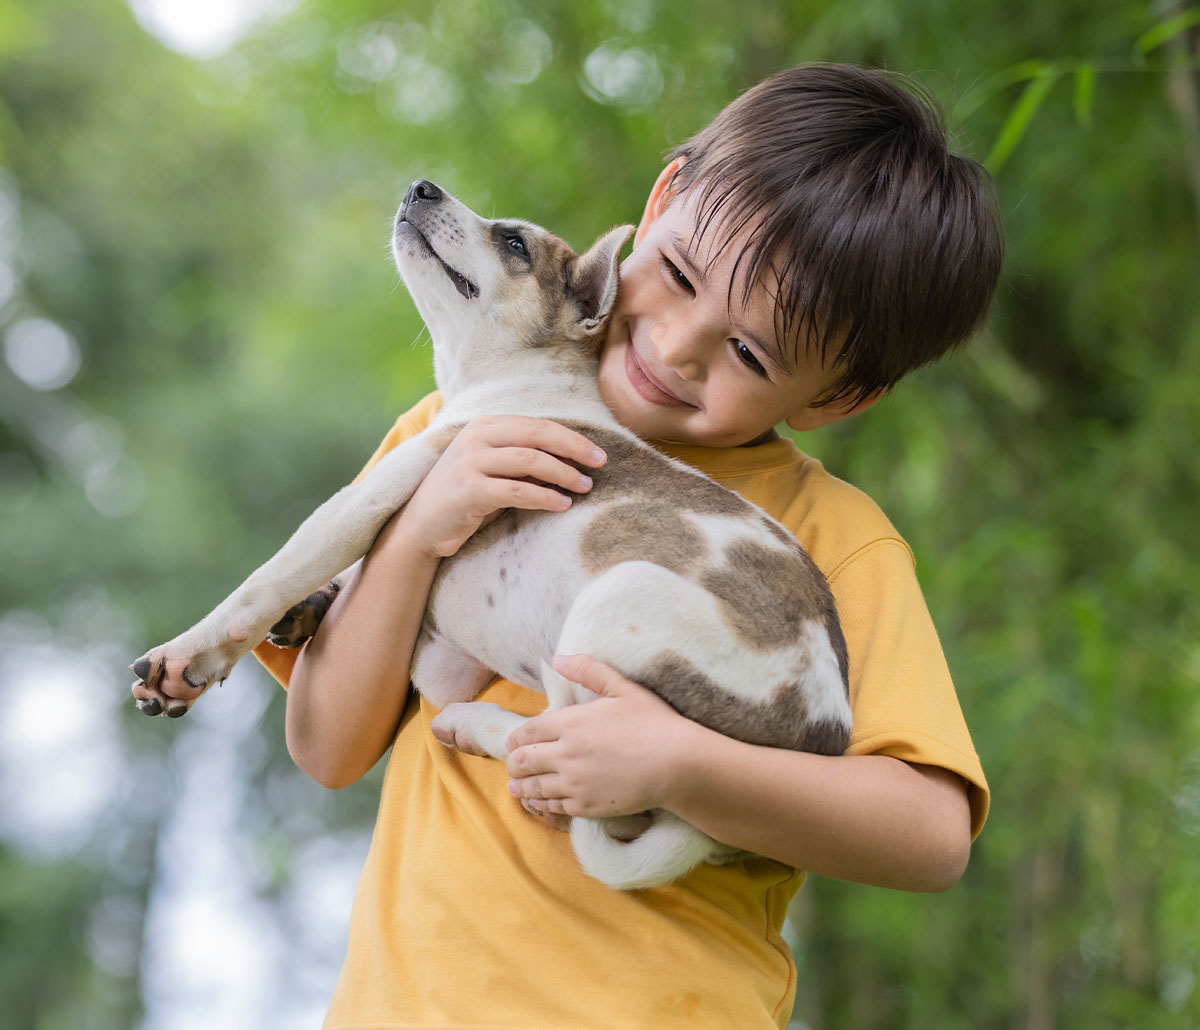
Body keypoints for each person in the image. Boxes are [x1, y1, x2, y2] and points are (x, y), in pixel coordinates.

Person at [230, 63, 1001, 1028]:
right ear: (662, 196)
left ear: (836, 398)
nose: (679, 347)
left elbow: (929, 836)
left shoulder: (830, 539)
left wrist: (680, 764)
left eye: (751, 354)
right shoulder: (469, 420)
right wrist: (423, 527)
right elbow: (328, 746)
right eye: (677, 274)